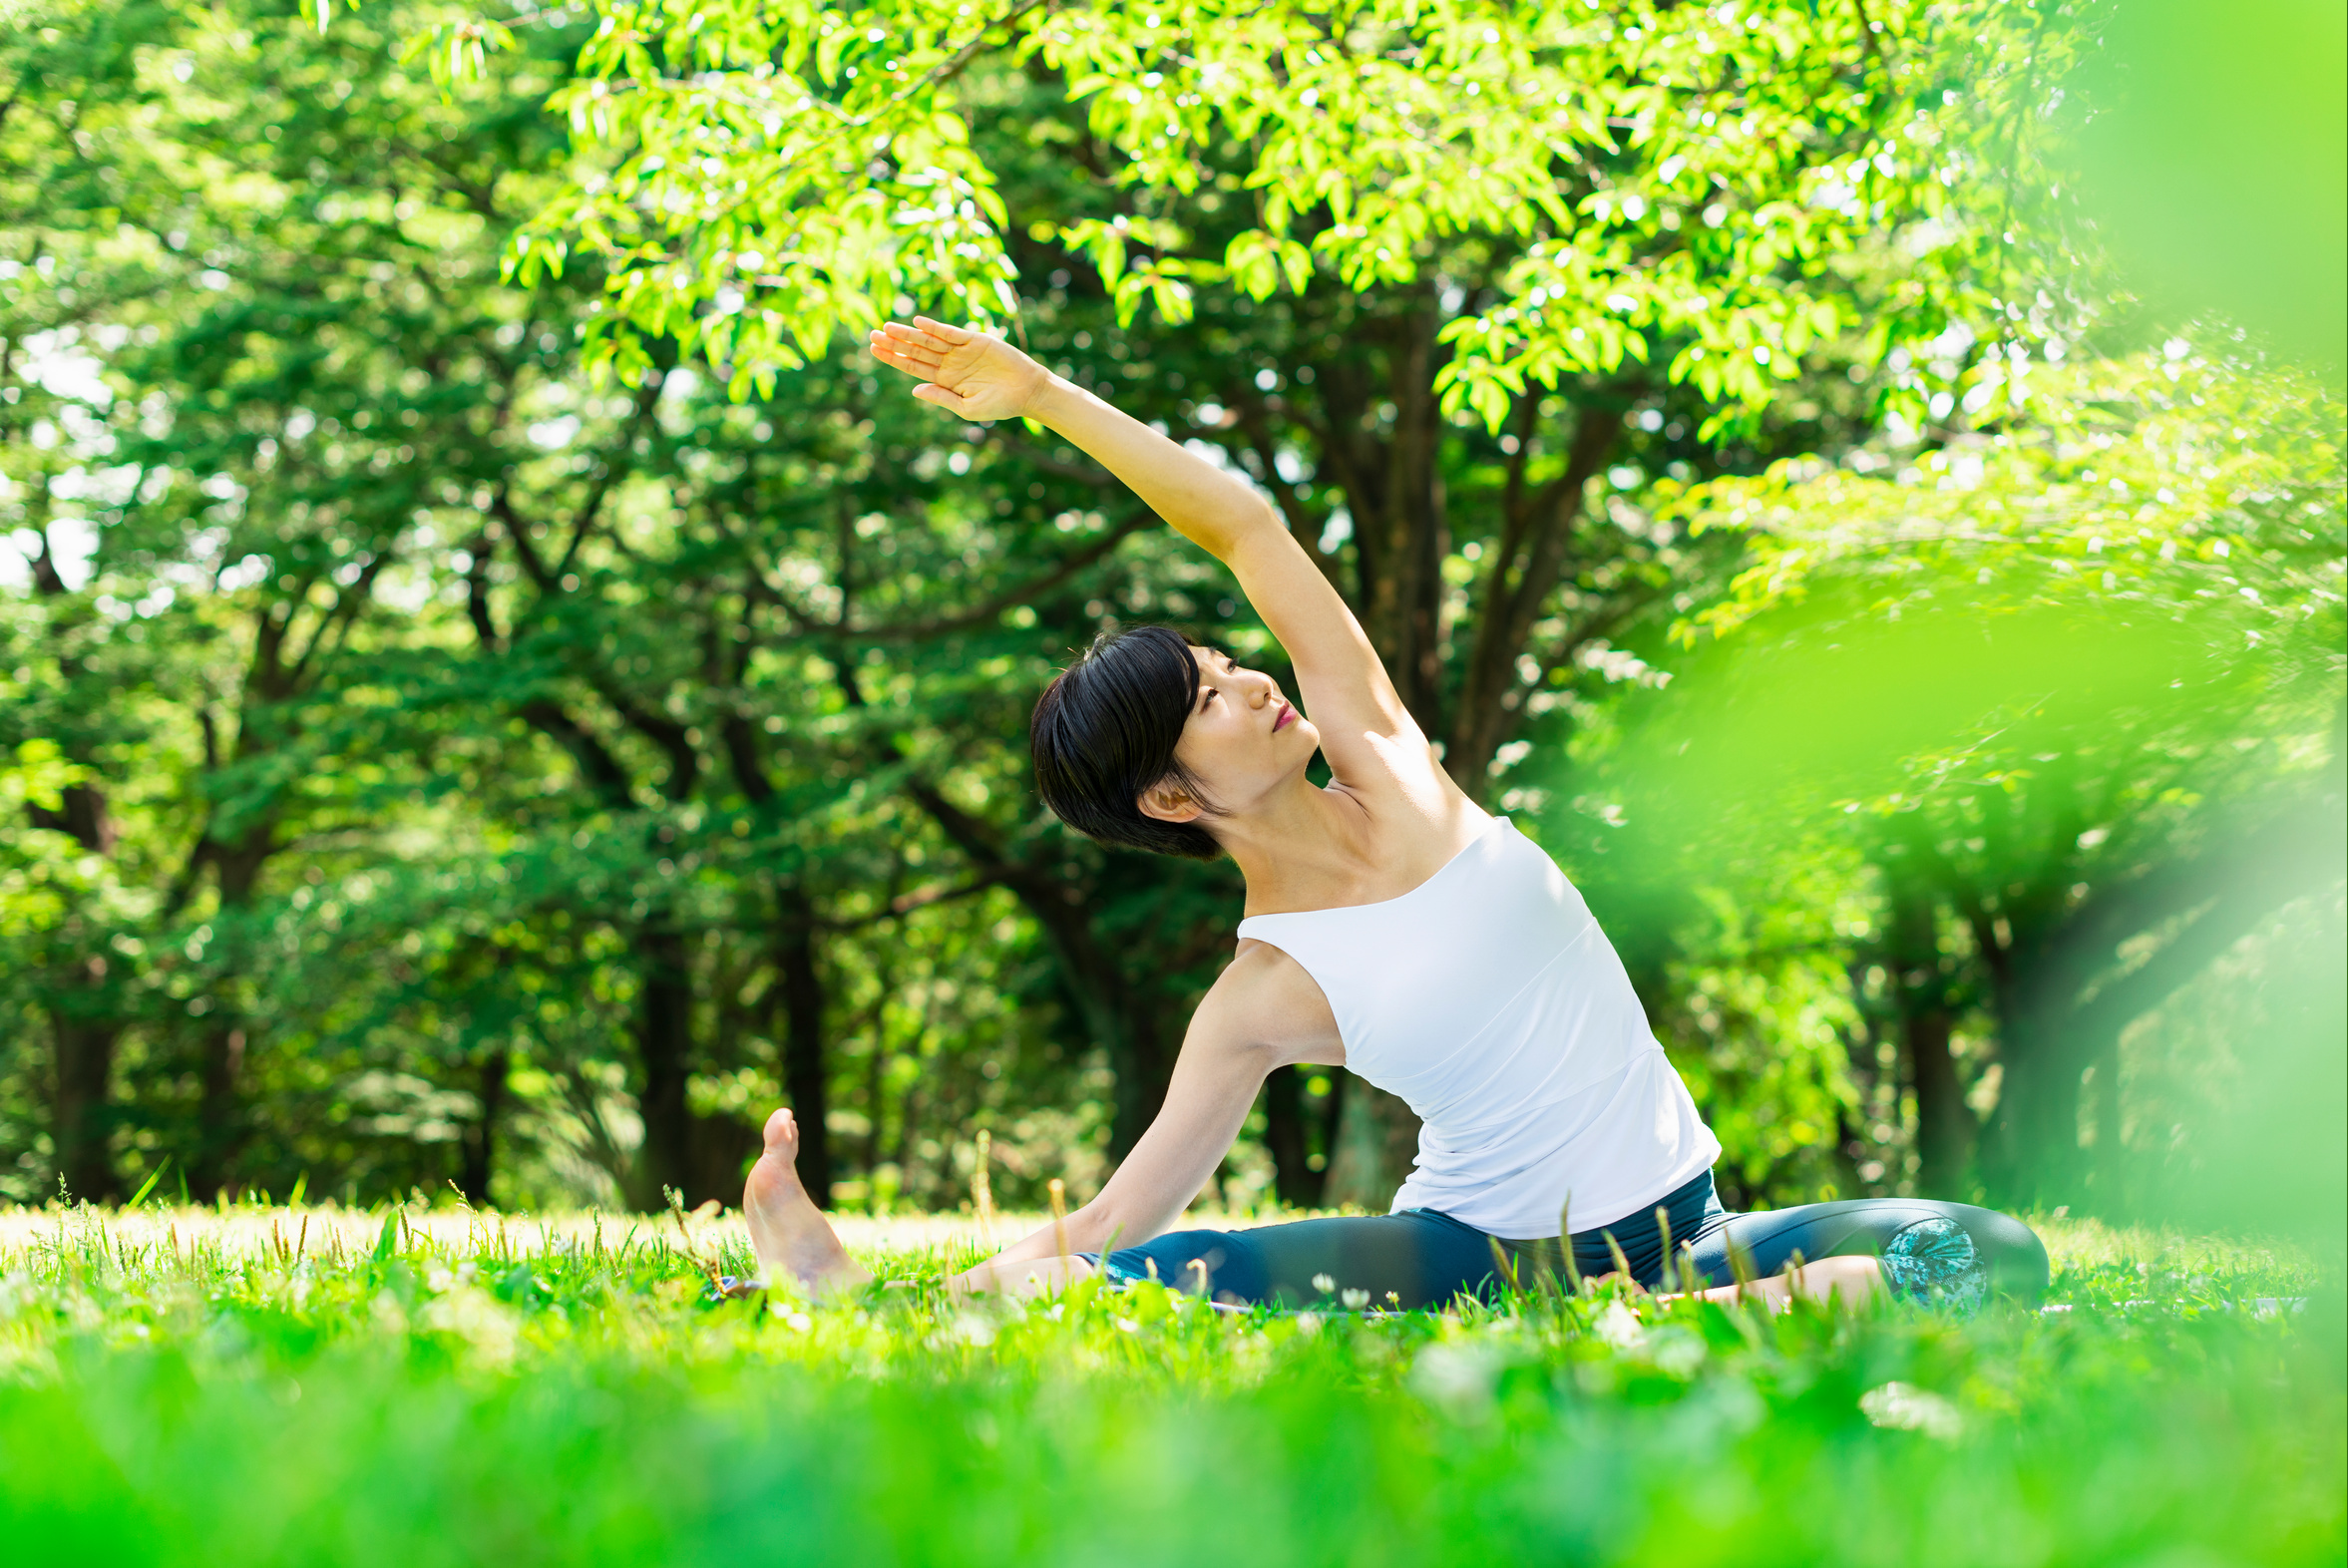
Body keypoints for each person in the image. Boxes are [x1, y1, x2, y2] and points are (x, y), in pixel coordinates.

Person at [741, 317, 2049, 1316]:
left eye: (1224, 660)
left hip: (1692, 1228)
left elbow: (1245, 529)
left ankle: (1656, 1322)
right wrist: (938, 1287)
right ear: (1165, 795)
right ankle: (847, 1295)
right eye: (1206, 695)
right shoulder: (1259, 992)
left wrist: (1040, 396)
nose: (1248, 676)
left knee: (1988, 1254)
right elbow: (1114, 1218)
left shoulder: (1389, 764)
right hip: (1472, 1255)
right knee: (1174, 1271)